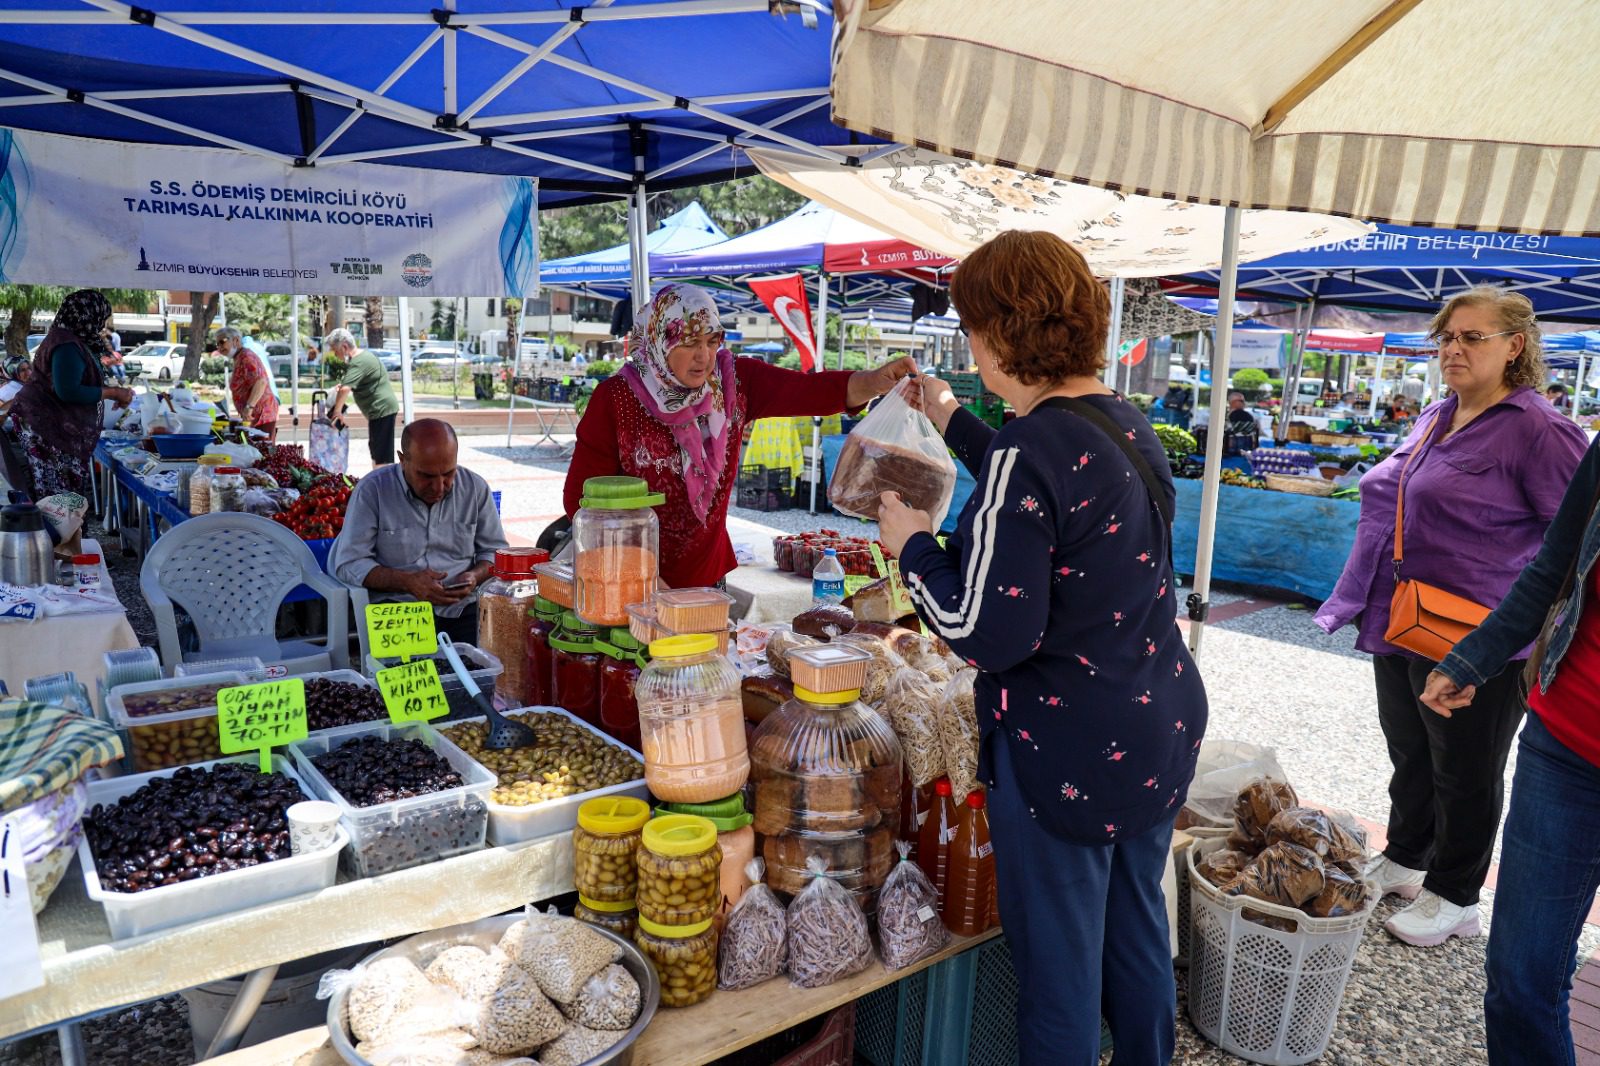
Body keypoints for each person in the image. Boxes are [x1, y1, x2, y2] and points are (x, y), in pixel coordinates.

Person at [876, 231, 1207, 1065]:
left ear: (1000, 331)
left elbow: (989, 634)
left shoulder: (1033, 446)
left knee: (1058, 978)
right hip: (1155, 721)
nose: (970, 342)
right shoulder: (1120, 419)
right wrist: (950, 417)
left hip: (1069, 748)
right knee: (1136, 933)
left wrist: (914, 546)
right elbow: (1050, 487)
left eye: (971, 324)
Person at [1316, 287, 1587, 947]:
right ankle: (1408, 857)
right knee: (1409, 751)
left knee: (1466, 768)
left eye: (1473, 337)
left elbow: (1575, 546)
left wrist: (1534, 636)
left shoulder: (1539, 429)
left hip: (1480, 633)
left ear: (1515, 347)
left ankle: (1456, 893)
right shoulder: (1437, 415)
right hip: (1402, 617)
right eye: (1447, 337)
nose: (1454, 350)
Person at [1420, 437, 1600, 1066]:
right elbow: (1554, 566)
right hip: (1569, 745)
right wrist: (1475, 656)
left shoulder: (1539, 428)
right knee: (1521, 979)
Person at [563, 283, 915, 588]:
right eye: (688, 343)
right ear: (659, 340)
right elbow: (580, 499)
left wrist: (876, 380)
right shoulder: (617, 399)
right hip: (628, 579)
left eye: (712, 340)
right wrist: (640, 577)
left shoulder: (734, 383)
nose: (703, 357)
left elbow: (812, 391)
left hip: (707, 575)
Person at [332, 418, 507, 645]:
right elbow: (349, 563)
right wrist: (407, 582)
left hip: (462, 607)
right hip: (397, 608)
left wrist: (475, 576)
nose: (439, 487)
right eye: (426, 476)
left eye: (448, 474)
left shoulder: (475, 487)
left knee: (487, 666)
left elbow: (496, 552)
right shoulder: (373, 490)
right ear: (403, 460)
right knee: (413, 671)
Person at [3, 290, 134, 498]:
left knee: (59, 493)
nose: (101, 325)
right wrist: (113, 392)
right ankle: (61, 530)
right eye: (100, 318)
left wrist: (112, 393)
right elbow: (68, 391)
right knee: (58, 496)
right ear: (88, 315)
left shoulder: (69, 340)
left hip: (49, 421)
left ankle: (67, 529)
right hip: (45, 424)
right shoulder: (66, 345)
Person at [327, 327, 399, 466]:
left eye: (335, 351)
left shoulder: (358, 362)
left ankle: (383, 484)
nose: (335, 355)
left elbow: (345, 389)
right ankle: (379, 480)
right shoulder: (362, 358)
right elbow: (350, 384)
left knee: (381, 455)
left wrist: (337, 412)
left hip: (381, 409)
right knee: (377, 449)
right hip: (379, 411)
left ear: (344, 346)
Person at [217, 327, 280, 443]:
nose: (219, 347)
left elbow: (261, 382)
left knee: (262, 453)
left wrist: (249, 407)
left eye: (222, 342)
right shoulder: (239, 357)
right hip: (253, 416)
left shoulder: (246, 357)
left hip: (261, 415)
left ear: (236, 340)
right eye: (217, 344)